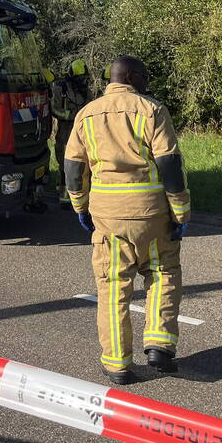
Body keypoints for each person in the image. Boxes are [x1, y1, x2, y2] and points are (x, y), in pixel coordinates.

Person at [64, 56, 191, 384]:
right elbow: (170, 166)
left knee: (112, 286)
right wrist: (181, 212)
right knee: (162, 273)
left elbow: (74, 169)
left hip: (106, 218)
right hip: (151, 213)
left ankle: (118, 364)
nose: (148, 82)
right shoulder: (152, 110)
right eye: (145, 76)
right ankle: (160, 344)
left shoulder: (85, 114)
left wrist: (80, 207)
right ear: (132, 76)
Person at [51, 60, 91, 208]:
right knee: (65, 164)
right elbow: (54, 109)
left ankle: (75, 194)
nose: (83, 81)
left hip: (82, 133)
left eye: (85, 78)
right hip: (65, 133)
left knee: (82, 164)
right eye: (80, 78)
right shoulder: (60, 89)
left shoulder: (85, 91)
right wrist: (72, 115)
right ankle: (64, 198)